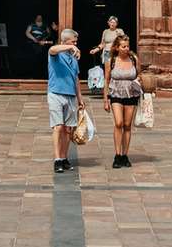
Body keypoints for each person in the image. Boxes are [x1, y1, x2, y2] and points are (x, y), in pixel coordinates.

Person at [46, 28, 83, 174]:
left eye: (75, 42)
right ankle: (57, 159)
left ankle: (64, 157)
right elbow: (52, 49)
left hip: (70, 95)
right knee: (58, 126)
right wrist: (70, 47)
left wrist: (80, 98)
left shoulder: (73, 58)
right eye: (73, 41)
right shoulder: (56, 55)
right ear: (65, 41)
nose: (75, 44)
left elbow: (76, 79)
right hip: (55, 93)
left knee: (68, 129)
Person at [104, 34, 143, 168]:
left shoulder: (134, 59)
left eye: (127, 46)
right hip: (116, 94)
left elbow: (139, 75)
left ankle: (125, 155)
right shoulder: (111, 61)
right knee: (119, 123)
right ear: (117, 47)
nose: (126, 49)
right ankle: (117, 154)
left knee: (127, 125)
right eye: (123, 46)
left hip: (131, 94)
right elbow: (107, 79)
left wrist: (140, 82)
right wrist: (105, 99)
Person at [89, 15, 126, 96]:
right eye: (111, 22)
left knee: (117, 71)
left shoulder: (119, 31)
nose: (112, 24)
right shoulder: (105, 31)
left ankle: (118, 90)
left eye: (114, 22)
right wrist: (96, 49)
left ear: (117, 24)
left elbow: (124, 41)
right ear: (108, 23)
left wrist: (120, 35)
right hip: (107, 53)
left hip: (116, 53)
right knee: (107, 73)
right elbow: (102, 44)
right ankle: (107, 92)